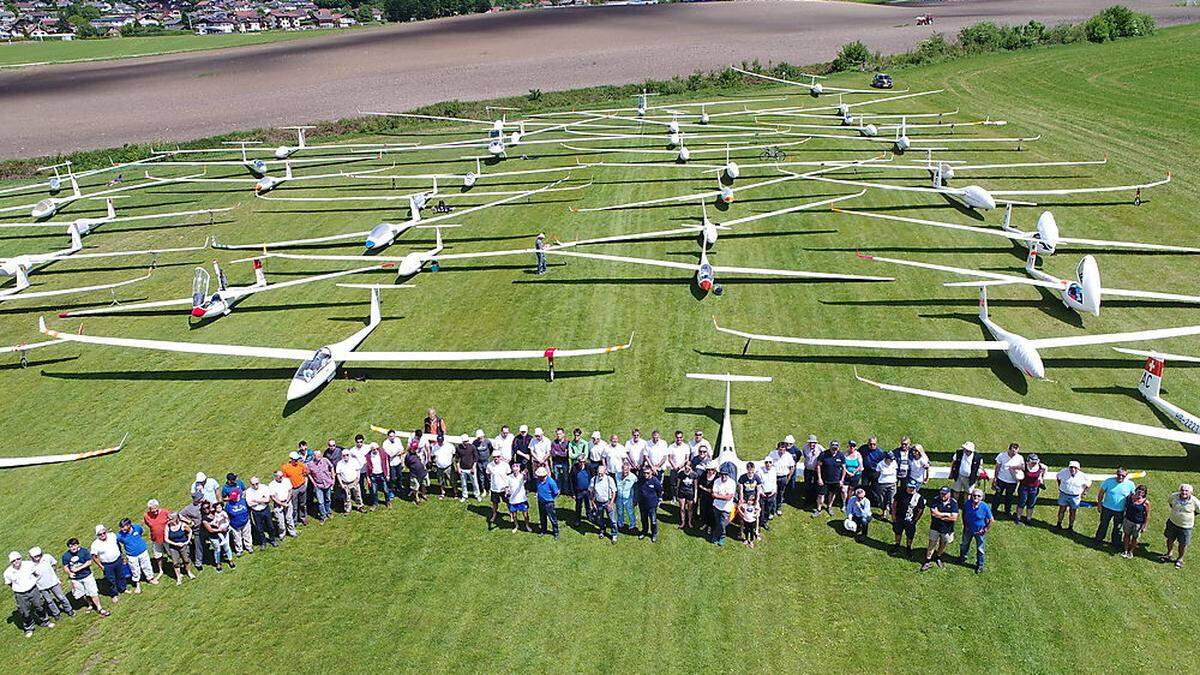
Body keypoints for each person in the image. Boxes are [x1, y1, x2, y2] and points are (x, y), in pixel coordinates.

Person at [5, 552, 52, 637]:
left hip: (33, 590)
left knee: (39, 606)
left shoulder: (29, 564)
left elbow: (36, 574)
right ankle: (29, 628)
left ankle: (45, 621)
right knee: (24, 612)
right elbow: (9, 583)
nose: (16, 561)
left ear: (21, 558)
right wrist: (19, 589)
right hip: (20, 594)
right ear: (11, 562)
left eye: (18, 559)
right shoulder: (7, 572)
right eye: (13, 560)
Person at [61, 539, 109, 616]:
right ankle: (90, 605)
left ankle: (99, 608)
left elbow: (89, 562)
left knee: (93, 592)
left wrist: (78, 569)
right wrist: (69, 573)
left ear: (78, 545)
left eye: (74, 545)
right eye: (71, 547)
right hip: (76, 579)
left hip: (87, 576)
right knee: (83, 594)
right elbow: (65, 567)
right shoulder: (66, 556)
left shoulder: (84, 551)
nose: (73, 548)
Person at [28, 547, 73, 620]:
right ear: (31, 557)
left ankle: (69, 609)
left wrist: (53, 575)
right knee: (49, 601)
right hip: (41, 586)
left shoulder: (47, 557)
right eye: (35, 556)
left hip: (53, 582)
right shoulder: (29, 565)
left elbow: (54, 564)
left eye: (39, 555)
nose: (38, 557)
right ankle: (56, 613)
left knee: (61, 597)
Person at [1096, 467, 1136, 548]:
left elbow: (1133, 497)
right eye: (1119, 475)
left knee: (1118, 527)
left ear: (1126, 475)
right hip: (1106, 508)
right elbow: (1101, 494)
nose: (1120, 477)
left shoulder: (1130, 485)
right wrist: (1099, 505)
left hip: (1120, 511)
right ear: (1116, 474)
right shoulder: (1108, 481)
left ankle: (1115, 543)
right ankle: (1098, 539)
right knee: (1103, 524)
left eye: (1123, 476)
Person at [1162, 483, 1200, 569]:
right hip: (1172, 522)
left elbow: (1198, 511)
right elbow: (1170, 503)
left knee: (1183, 544)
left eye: (1186, 491)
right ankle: (1169, 554)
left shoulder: (1195, 502)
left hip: (1186, 527)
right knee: (1169, 539)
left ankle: (1180, 559)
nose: (1184, 492)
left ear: (1191, 492)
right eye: (1182, 490)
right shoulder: (1174, 496)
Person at [921, 487, 959, 571]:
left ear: (949, 494)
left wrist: (941, 515)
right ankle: (927, 560)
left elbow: (954, 518)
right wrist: (948, 515)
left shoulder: (953, 503)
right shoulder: (935, 500)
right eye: (942, 493)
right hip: (935, 527)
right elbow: (934, 514)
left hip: (947, 529)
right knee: (932, 543)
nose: (943, 495)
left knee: (943, 543)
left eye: (945, 494)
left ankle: (938, 556)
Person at [957, 488, 994, 573]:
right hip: (968, 529)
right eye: (974, 495)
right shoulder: (967, 504)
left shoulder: (985, 506)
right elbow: (964, 514)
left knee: (980, 549)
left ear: (982, 497)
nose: (976, 497)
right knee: (964, 544)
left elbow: (991, 520)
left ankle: (980, 565)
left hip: (979, 531)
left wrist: (985, 529)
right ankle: (963, 557)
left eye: (978, 496)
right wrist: (965, 524)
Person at [116, 518, 157, 593]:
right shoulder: (120, 535)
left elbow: (141, 532)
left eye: (123, 527)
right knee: (135, 570)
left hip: (143, 551)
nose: (122, 529)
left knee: (146, 565)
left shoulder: (137, 528)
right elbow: (118, 542)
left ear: (129, 525)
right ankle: (137, 584)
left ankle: (150, 578)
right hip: (131, 555)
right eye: (121, 527)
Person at [90, 525, 125, 600]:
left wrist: (121, 554)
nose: (102, 535)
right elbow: (94, 557)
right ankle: (114, 594)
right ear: (97, 535)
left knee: (121, 575)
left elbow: (118, 545)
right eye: (100, 534)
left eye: (104, 532)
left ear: (106, 532)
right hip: (107, 564)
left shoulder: (112, 536)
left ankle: (123, 589)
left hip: (118, 560)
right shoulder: (95, 544)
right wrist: (101, 566)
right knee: (110, 580)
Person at [891, 480, 925, 557]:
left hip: (910, 520)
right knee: (898, 532)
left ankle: (908, 547)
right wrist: (893, 515)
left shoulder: (919, 497)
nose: (911, 489)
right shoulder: (900, 493)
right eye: (909, 487)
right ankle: (897, 545)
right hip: (899, 518)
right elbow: (894, 504)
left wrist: (916, 520)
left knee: (910, 535)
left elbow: (921, 509)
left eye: (913, 488)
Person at [1054, 461, 1091, 531]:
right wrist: (1060, 486)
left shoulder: (1083, 476)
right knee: (1061, 510)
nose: (1073, 469)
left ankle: (1070, 527)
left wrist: (1085, 492)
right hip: (1064, 494)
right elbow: (1058, 478)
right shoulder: (1063, 472)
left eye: (1075, 468)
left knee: (1073, 512)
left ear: (1078, 469)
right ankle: (1058, 524)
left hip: (1075, 497)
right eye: (1071, 467)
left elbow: (1089, 484)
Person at [813, 441, 846, 516]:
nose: (834, 450)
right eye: (833, 448)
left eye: (836, 448)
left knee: (832, 494)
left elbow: (844, 468)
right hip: (824, 480)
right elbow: (818, 466)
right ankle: (819, 508)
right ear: (830, 447)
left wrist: (842, 480)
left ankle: (829, 507)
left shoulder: (841, 455)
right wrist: (819, 478)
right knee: (821, 495)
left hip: (836, 480)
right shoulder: (824, 454)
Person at [992, 443, 1025, 518]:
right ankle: (993, 511)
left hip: (1012, 482)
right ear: (1009, 449)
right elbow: (997, 467)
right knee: (997, 496)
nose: (1014, 453)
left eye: (1016, 452)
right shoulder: (1001, 455)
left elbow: (1023, 467)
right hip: (1001, 480)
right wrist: (995, 478)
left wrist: (1013, 467)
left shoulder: (1020, 457)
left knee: (1009, 497)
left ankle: (1007, 511)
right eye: (1012, 451)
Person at [244, 476, 277, 548]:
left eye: (257, 483)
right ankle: (263, 542)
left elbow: (267, 500)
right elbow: (249, 504)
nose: (255, 486)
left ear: (259, 482)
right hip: (256, 512)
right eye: (253, 484)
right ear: (250, 484)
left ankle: (272, 540)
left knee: (270, 526)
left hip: (265, 510)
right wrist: (261, 500)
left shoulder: (264, 487)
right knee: (259, 528)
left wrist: (255, 500)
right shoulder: (248, 491)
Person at [163, 513, 196, 585]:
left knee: (186, 560)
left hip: (184, 546)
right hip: (173, 548)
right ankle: (178, 577)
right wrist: (176, 544)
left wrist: (187, 541)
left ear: (175, 519)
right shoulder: (167, 526)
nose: (168, 520)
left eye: (170, 519)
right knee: (175, 563)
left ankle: (189, 572)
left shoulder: (182, 525)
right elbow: (166, 539)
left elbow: (190, 531)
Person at [589, 463, 618, 543]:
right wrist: (593, 502)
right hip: (598, 503)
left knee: (612, 520)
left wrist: (611, 503)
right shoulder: (594, 479)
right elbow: (591, 491)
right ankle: (602, 530)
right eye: (599, 473)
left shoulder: (609, 479)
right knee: (600, 519)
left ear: (605, 472)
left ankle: (614, 534)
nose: (600, 475)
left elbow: (614, 491)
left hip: (608, 502)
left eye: (601, 473)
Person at [201, 503, 234, 572]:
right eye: (204, 508)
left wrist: (225, 526)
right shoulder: (204, 519)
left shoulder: (215, 512)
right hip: (214, 536)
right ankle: (218, 564)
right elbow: (210, 530)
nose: (206, 509)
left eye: (207, 507)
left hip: (224, 533)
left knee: (227, 547)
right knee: (217, 550)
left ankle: (231, 560)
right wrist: (220, 530)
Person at [1015, 454, 1047, 526]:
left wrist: (1042, 478)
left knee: (1031, 504)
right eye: (1032, 462)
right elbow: (1013, 468)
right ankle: (1018, 518)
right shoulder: (1024, 466)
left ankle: (1028, 519)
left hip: (1034, 488)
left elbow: (1046, 468)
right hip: (1024, 487)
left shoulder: (1040, 466)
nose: (1034, 464)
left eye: (1035, 462)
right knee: (1022, 502)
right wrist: (1016, 476)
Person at [142, 499, 170, 581]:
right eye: (152, 510)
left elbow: (172, 519)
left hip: (166, 538)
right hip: (156, 539)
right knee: (158, 556)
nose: (154, 511)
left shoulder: (165, 512)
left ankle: (176, 567)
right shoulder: (146, 516)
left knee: (170, 553)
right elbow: (149, 524)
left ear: (158, 507)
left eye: (155, 509)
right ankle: (161, 570)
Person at [1120, 485, 1150, 559]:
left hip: (1138, 523)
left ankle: (1131, 552)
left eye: (1142, 492)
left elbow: (1147, 515)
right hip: (1128, 520)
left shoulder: (1146, 503)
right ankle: (1125, 550)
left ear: (1144, 494)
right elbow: (1125, 507)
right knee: (1126, 535)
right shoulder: (1130, 498)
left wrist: (1144, 526)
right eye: (1139, 491)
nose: (1140, 493)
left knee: (1135, 538)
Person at [281, 451, 310, 526]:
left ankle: (303, 517)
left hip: (302, 486)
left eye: (297, 459)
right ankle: (295, 520)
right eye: (295, 460)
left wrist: (305, 484)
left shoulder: (301, 465)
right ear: (291, 459)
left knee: (302, 504)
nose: (297, 461)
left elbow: (306, 473)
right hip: (293, 489)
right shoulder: (285, 468)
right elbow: (284, 480)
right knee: (294, 506)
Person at [178, 493, 206, 569]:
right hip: (198, 530)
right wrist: (189, 521)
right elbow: (179, 515)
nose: (203, 499)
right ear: (197, 500)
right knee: (199, 546)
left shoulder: (206, 503)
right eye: (201, 498)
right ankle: (198, 563)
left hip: (208, 527)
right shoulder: (189, 508)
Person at [636, 465, 663, 542]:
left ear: (651, 472)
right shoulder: (641, 480)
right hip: (642, 504)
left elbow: (660, 491)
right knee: (644, 520)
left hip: (652, 505)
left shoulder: (655, 481)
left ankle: (654, 533)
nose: (646, 475)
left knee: (653, 520)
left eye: (648, 473)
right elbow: (638, 489)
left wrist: (658, 500)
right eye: (644, 473)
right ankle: (644, 531)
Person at [307, 450, 335, 522]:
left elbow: (331, 467)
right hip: (318, 485)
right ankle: (323, 515)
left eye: (320, 455)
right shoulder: (310, 464)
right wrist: (314, 483)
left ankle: (328, 512)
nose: (319, 456)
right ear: (314, 456)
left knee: (328, 499)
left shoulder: (325, 460)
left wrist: (332, 477)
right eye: (317, 455)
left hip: (327, 484)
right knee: (320, 502)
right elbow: (309, 474)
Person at [711, 467, 737, 546]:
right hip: (716, 506)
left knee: (722, 523)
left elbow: (729, 497)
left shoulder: (732, 483)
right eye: (722, 474)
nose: (723, 476)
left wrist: (718, 496)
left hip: (726, 508)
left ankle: (720, 536)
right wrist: (723, 496)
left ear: (728, 475)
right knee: (718, 522)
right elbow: (713, 494)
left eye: (725, 474)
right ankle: (717, 535)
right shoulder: (716, 481)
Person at [486, 454, 512, 530]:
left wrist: (508, 487)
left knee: (508, 502)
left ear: (500, 457)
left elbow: (509, 475)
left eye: (497, 457)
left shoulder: (505, 465)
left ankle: (511, 514)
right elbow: (488, 475)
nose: (496, 458)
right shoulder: (489, 465)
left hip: (504, 488)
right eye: (494, 457)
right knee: (494, 503)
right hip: (494, 488)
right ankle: (494, 514)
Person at [769, 442, 796, 515]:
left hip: (783, 477)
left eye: (783, 449)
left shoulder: (788, 456)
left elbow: (792, 467)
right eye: (780, 449)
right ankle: (772, 510)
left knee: (781, 493)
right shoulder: (772, 454)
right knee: (773, 493)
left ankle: (778, 508)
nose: (782, 451)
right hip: (774, 477)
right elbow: (767, 464)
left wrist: (788, 478)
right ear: (778, 449)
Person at [363, 441, 392, 507]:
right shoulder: (368, 456)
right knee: (374, 491)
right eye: (374, 449)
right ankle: (375, 503)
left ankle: (388, 501)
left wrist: (388, 474)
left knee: (385, 489)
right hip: (373, 476)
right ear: (371, 449)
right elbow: (367, 468)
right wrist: (368, 478)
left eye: (377, 449)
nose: (376, 450)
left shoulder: (382, 453)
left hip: (382, 474)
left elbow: (386, 464)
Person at [224, 489, 253, 556]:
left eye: (235, 497)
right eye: (232, 498)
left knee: (247, 535)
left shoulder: (244, 501)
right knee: (237, 538)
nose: (233, 499)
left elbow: (249, 509)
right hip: (234, 524)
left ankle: (249, 546)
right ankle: (239, 550)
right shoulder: (228, 504)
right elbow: (227, 514)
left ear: (239, 495)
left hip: (245, 522)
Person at [535, 466, 560, 538]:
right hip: (540, 502)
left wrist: (550, 498)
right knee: (542, 518)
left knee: (552, 518)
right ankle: (543, 530)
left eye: (540, 476)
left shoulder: (551, 482)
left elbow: (556, 492)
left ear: (544, 475)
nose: (538, 477)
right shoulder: (538, 480)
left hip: (549, 503)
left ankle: (556, 532)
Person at [268, 471, 296, 537]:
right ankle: (282, 533)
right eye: (280, 477)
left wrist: (287, 501)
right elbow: (273, 497)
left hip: (287, 501)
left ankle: (292, 532)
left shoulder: (286, 480)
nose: (282, 477)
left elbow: (290, 491)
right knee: (280, 521)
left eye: (282, 476)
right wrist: (282, 504)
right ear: (275, 477)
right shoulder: (271, 485)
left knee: (289, 518)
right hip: (278, 504)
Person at [382, 429, 407, 498]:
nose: (392, 437)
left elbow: (402, 450)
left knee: (399, 476)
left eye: (393, 436)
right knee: (392, 478)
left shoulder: (398, 440)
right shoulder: (385, 444)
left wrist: (398, 454)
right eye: (390, 436)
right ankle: (391, 490)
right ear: (388, 436)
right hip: (391, 463)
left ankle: (399, 487)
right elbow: (390, 455)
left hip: (398, 461)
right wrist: (397, 452)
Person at [801, 435, 825, 508]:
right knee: (807, 484)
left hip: (816, 470)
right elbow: (805, 456)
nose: (812, 444)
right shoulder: (805, 447)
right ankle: (808, 500)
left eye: (813, 443)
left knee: (816, 485)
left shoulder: (820, 448)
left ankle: (815, 500)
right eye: (810, 442)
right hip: (808, 469)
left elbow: (824, 456)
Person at [507, 463, 531, 533]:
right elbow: (507, 486)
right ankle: (516, 525)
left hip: (522, 499)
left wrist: (525, 473)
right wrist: (507, 490)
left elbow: (526, 477)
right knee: (514, 515)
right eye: (513, 466)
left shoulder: (522, 476)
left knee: (525, 514)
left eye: (517, 466)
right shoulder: (508, 477)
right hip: (513, 500)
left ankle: (527, 526)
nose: (515, 468)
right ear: (511, 468)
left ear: (519, 468)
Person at [875, 451, 898, 521]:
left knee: (892, 500)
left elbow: (895, 471)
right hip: (882, 484)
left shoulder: (894, 463)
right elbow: (878, 474)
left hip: (892, 484)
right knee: (882, 500)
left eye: (892, 459)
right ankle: (884, 512)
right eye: (890, 459)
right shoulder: (880, 464)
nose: (891, 460)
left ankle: (893, 515)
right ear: (886, 458)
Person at [616, 460, 638, 533]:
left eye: (626, 470)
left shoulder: (633, 477)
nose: (625, 472)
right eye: (623, 470)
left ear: (629, 469)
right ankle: (620, 525)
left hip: (628, 498)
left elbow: (636, 489)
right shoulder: (617, 475)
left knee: (630, 512)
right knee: (620, 512)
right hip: (619, 497)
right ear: (621, 469)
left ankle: (632, 526)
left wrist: (635, 500)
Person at [861, 436, 884, 503]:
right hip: (866, 471)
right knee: (864, 486)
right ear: (868, 443)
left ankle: (874, 501)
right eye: (870, 444)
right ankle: (863, 500)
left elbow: (882, 463)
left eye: (874, 444)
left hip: (875, 472)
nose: (872, 445)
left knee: (875, 488)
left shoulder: (880, 452)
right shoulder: (863, 448)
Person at [456, 437, 480, 502]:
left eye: (467, 441)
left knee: (475, 483)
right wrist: (458, 468)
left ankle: (477, 495)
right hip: (463, 469)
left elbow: (476, 458)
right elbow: (457, 459)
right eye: (465, 441)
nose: (466, 442)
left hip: (471, 468)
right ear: (462, 441)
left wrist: (473, 467)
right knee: (463, 484)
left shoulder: (472, 447)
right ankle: (464, 496)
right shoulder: (458, 448)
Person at [676, 463, 698, 530]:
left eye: (688, 468)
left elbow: (696, 487)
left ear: (691, 467)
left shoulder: (694, 474)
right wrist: (677, 494)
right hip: (681, 492)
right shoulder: (681, 474)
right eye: (686, 468)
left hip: (690, 493)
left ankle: (689, 522)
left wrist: (695, 496)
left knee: (690, 509)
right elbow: (678, 484)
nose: (687, 469)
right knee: (682, 508)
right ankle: (683, 522)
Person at [566, 428, 588, 496]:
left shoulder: (584, 443)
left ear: (580, 435)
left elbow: (586, 454)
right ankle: (573, 492)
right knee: (574, 479)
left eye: (578, 435)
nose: (576, 437)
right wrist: (579, 455)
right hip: (575, 464)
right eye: (575, 435)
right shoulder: (571, 444)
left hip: (582, 464)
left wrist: (581, 458)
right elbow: (570, 455)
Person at [697, 463, 717, 534]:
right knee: (704, 511)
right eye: (708, 469)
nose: (710, 471)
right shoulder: (704, 475)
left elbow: (714, 489)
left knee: (711, 512)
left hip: (712, 498)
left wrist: (704, 488)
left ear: (714, 470)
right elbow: (699, 484)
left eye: (712, 470)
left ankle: (710, 526)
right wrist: (706, 489)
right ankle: (705, 524)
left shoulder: (717, 477)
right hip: (704, 497)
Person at [842, 441, 864, 505]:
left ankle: (849, 502)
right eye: (850, 446)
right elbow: (843, 465)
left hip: (856, 475)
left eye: (853, 446)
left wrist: (854, 472)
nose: (852, 447)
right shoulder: (844, 454)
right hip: (846, 474)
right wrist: (848, 472)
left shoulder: (858, 455)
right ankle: (843, 503)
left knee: (851, 490)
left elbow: (860, 465)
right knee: (844, 490)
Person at [550, 428, 571, 494]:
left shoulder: (567, 443)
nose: (558, 435)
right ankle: (558, 490)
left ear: (563, 434)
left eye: (560, 434)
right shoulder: (554, 442)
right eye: (557, 434)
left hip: (564, 462)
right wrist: (561, 453)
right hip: (556, 462)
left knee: (566, 477)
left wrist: (557, 453)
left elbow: (566, 454)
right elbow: (553, 453)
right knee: (557, 477)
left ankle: (566, 490)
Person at [572, 457, 591, 525]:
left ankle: (589, 515)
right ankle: (578, 519)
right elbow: (571, 481)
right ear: (578, 461)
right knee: (578, 506)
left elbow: (592, 477)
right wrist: (573, 493)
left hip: (587, 490)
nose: (581, 463)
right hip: (578, 491)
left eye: (583, 461)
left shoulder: (588, 467)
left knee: (588, 504)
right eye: (580, 461)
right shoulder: (574, 468)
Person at [759, 457, 777, 528]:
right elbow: (759, 483)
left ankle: (765, 522)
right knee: (761, 509)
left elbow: (774, 482)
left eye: (770, 462)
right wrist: (761, 492)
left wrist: (774, 491)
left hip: (771, 494)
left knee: (768, 509)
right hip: (763, 494)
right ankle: (760, 523)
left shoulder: (774, 470)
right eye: (766, 462)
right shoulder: (760, 471)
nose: (768, 464)